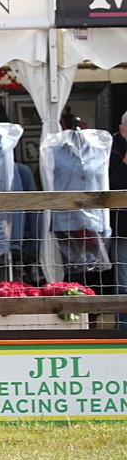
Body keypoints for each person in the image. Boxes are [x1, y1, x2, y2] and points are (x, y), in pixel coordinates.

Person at [109, 111, 127, 329]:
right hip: (123, 229)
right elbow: (110, 188)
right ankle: (124, 331)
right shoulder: (111, 150)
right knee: (125, 285)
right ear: (122, 129)